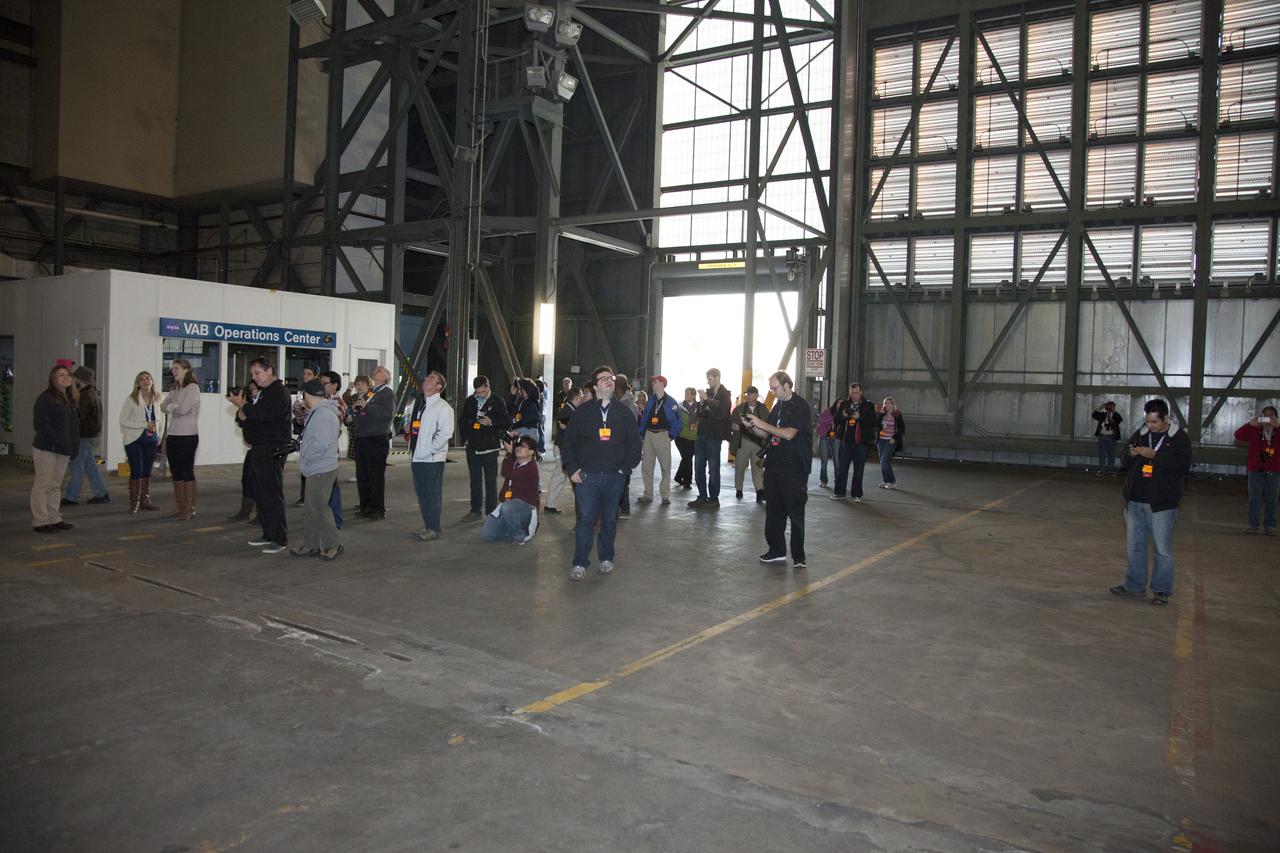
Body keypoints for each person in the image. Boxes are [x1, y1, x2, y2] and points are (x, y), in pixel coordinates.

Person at [561, 366, 642, 581]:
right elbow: (567, 443)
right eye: (603, 378)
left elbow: (635, 444)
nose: (609, 381)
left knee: (608, 520)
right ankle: (580, 562)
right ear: (596, 386)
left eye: (611, 378)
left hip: (615, 477)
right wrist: (572, 468)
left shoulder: (624, 413)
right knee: (585, 520)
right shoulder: (583, 413)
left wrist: (625, 469)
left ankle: (606, 557)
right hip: (587, 477)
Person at [1109, 399, 1193, 606]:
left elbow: (1183, 466)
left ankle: (1161, 590)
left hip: (1161, 503)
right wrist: (1131, 453)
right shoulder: (1141, 433)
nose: (1150, 425)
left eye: (1154, 422)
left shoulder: (1179, 438)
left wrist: (1155, 455)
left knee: (1162, 549)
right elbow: (1124, 460)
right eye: (1147, 421)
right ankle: (1134, 585)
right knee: (1134, 546)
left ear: (1165, 418)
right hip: (1135, 500)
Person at [745, 371, 811, 569]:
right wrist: (751, 426)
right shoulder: (777, 407)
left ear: (786, 385)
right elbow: (767, 433)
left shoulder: (801, 406)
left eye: (774, 388)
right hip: (774, 465)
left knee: (795, 512)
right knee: (774, 510)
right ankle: (776, 550)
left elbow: (789, 434)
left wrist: (761, 423)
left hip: (795, 468)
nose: (772, 391)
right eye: (771, 388)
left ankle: (799, 556)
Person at [227, 357, 292, 554]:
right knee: (261, 493)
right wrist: (244, 412)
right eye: (252, 375)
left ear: (270, 370)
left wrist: (243, 406)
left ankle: (280, 538)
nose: (255, 378)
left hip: (272, 448)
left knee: (272, 493)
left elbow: (263, 414)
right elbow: (252, 416)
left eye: (258, 374)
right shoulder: (263, 393)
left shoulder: (278, 392)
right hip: (259, 447)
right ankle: (268, 533)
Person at [291, 378, 343, 560]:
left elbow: (320, 444)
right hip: (317, 467)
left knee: (320, 508)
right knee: (312, 508)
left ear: (307, 395)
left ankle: (332, 545)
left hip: (320, 467)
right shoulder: (319, 412)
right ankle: (310, 543)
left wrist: (307, 457)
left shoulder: (323, 414)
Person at [31, 365, 80, 533]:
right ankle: (40, 520)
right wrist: (54, 442)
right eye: (60, 375)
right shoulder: (46, 398)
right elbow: (40, 423)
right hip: (47, 448)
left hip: (63, 450)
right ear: (53, 379)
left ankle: (54, 517)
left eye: (67, 375)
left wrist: (73, 446)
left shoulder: (69, 398)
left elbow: (73, 426)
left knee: (56, 485)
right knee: (43, 484)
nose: (65, 378)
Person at [407, 371, 454, 541]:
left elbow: (445, 433)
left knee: (432, 493)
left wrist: (430, 450)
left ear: (439, 387)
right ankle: (428, 524)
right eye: (427, 378)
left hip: (432, 459)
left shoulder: (443, 407)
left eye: (432, 379)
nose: (426, 380)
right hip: (417, 456)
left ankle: (434, 528)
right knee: (422, 493)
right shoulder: (421, 404)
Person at [459, 375, 510, 521]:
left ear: (488, 387)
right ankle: (475, 509)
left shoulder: (497, 401)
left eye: (482, 391)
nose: (480, 395)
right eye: (477, 392)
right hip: (473, 447)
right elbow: (462, 420)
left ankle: (491, 510)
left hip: (490, 447)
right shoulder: (470, 401)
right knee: (475, 480)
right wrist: (466, 438)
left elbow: (506, 421)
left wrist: (491, 422)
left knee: (490, 481)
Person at [61, 366, 110, 506]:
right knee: (90, 466)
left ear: (80, 380)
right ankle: (102, 494)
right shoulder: (91, 393)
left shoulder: (85, 396)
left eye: (74, 378)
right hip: (90, 436)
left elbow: (78, 416)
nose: (72, 381)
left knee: (77, 466)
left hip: (84, 436)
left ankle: (71, 497)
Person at [160, 358, 201, 519]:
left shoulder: (193, 388)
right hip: (174, 435)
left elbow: (183, 409)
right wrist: (172, 406)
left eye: (177, 368)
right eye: (173, 368)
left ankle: (189, 508)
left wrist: (173, 406)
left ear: (186, 370)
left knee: (186, 471)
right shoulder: (175, 388)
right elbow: (163, 406)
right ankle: (180, 506)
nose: (173, 371)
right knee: (176, 472)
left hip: (188, 435)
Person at [352, 366, 394, 519]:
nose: (374, 372)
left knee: (375, 475)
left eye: (378, 371)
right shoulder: (371, 392)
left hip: (376, 438)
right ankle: (366, 505)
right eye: (375, 370)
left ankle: (378, 508)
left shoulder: (387, 393)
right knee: (362, 474)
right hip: (363, 437)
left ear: (384, 377)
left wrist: (367, 406)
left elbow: (387, 414)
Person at [482, 435, 541, 545]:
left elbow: (506, 473)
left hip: (526, 509)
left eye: (523, 446)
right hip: (510, 508)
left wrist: (509, 453)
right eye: (517, 445)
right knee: (487, 535)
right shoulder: (514, 463)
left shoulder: (531, 467)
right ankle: (514, 527)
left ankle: (519, 535)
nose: (518, 448)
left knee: (507, 507)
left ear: (531, 452)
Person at [120, 370, 162, 513]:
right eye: (142, 379)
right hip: (134, 439)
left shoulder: (157, 398)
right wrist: (144, 424)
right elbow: (123, 420)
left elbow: (159, 419)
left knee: (147, 471)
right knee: (137, 470)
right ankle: (134, 502)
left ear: (152, 381)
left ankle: (145, 500)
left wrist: (159, 435)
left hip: (151, 439)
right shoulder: (131, 399)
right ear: (138, 383)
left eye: (148, 378)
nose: (146, 381)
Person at [689, 368, 732, 509]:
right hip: (702, 435)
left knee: (713, 469)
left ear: (718, 377)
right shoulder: (708, 394)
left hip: (714, 436)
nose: (708, 381)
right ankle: (702, 496)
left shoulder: (724, 395)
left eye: (710, 379)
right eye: (707, 379)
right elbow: (701, 415)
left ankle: (714, 498)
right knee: (698, 467)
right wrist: (701, 403)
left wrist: (707, 401)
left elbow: (721, 413)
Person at [636, 375, 682, 506]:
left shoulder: (671, 402)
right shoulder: (651, 400)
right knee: (646, 466)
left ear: (662, 384)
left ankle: (665, 495)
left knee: (665, 467)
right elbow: (645, 417)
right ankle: (648, 494)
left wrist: (670, 435)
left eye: (655, 382)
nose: (652, 384)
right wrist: (642, 432)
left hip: (663, 435)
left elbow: (678, 421)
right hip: (649, 435)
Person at [1235, 405, 1279, 535]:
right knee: (1254, 498)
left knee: (1272, 499)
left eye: (1271, 416)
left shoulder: (1278, 431)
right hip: (1256, 470)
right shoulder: (1254, 431)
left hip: (1274, 470)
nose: (1268, 419)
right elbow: (1237, 435)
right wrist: (1250, 424)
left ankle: (1270, 526)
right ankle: (1253, 525)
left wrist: (1278, 426)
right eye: (1265, 416)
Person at [831, 382, 877, 502]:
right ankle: (840, 492)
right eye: (852, 393)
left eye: (856, 393)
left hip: (861, 442)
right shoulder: (845, 404)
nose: (854, 395)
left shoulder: (868, 405)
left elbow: (874, 422)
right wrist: (843, 415)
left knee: (859, 469)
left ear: (861, 392)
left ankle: (856, 494)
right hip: (846, 441)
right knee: (842, 468)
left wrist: (859, 417)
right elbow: (835, 420)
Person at [546, 386, 586, 514]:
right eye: (582, 396)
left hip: (563, 448)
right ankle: (550, 504)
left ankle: (550, 503)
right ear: (577, 397)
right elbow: (566, 433)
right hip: (563, 448)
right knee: (560, 475)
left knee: (560, 476)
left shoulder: (569, 409)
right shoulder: (567, 411)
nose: (583, 398)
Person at [227, 374, 260, 524]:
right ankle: (245, 511)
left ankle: (262, 514)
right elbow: (239, 420)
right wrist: (242, 407)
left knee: (262, 482)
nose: (252, 390)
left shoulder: (266, 400)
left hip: (266, 447)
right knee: (247, 479)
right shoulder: (250, 401)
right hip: (254, 446)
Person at [731, 385, 770, 502]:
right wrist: (734, 426)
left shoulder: (763, 409)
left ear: (756, 396)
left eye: (750, 394)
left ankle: (759, 491)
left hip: (758, 442)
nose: (747, 396)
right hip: (742, 441)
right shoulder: (739, 408)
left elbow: (768, 424)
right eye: (747, 394)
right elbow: (732, 421)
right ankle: (739, 489)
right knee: (740, 466)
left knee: (757, 467)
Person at [319, 370, 347, 529]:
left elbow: (331, 425)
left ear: (335, 386)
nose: (321, 386)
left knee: (331, 485)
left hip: (329, 450)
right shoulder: (321, 401)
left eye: (325, 383)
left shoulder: (338, 403)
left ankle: (336, 519)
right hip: (318, 448)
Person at [614, 374, 639, 518]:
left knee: (623, 478)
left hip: (625, 446)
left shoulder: (630, 405)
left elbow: (631, 428)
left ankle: (625, 509)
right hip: (616, 445)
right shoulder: (616, 401)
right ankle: (618, 508)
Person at [292, 365, 317, 506]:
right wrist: (297, 410)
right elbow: (301, 419)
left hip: (315, 436)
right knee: (304, 467)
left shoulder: (316, 393)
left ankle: (311, 497)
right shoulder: (302, 391)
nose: (305, 376)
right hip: (304, 433)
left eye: (309, 373)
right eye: (304, 373)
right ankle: (303, 497)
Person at [875, 396, 906, 490]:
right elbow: (876, 425)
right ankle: (886, 480)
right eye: (885, 403)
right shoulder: (883, 414)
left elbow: (902, 428)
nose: (886, 405)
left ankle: (892, 481)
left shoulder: (897, 414)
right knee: (882, 462)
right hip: (881, 440)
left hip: (890, 440)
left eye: (888, 403)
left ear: (892, 404)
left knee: (885, 461)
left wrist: (894, 437)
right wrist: (881, 414)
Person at [673, 387, 698, 490]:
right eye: (686, 393)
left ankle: (678, 476)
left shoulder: (699, 408)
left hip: (694, 438)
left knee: (686, 458)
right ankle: (687, 482)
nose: (687, 395)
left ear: (694, 395)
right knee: (687, 458)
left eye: (689, 394)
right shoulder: (679, 407)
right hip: (681, 437)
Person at [1092, 401, 1124, 475]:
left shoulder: (1116, 415)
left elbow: (1120, 419)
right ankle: (1101, 470)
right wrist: (1100, 407)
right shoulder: (1103, 415)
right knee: (1102, 454)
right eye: (1108, 406)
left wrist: (1114, 411)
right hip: (1102, 436)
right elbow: (1094, 415)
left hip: (1111, 437)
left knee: (1111, 454)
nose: (1109, 408)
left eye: (1111, 406)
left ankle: (1111, 470)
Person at [815, 400, 837, 488]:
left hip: (836, 438)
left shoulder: (843, 413)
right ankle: (823, 480)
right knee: (824, 461)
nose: (840, 405)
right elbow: (821, 420)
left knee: (837, 460)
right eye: (839, 403)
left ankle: (838, 479)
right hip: (824, 437)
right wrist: (831, 421)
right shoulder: (827, 411)